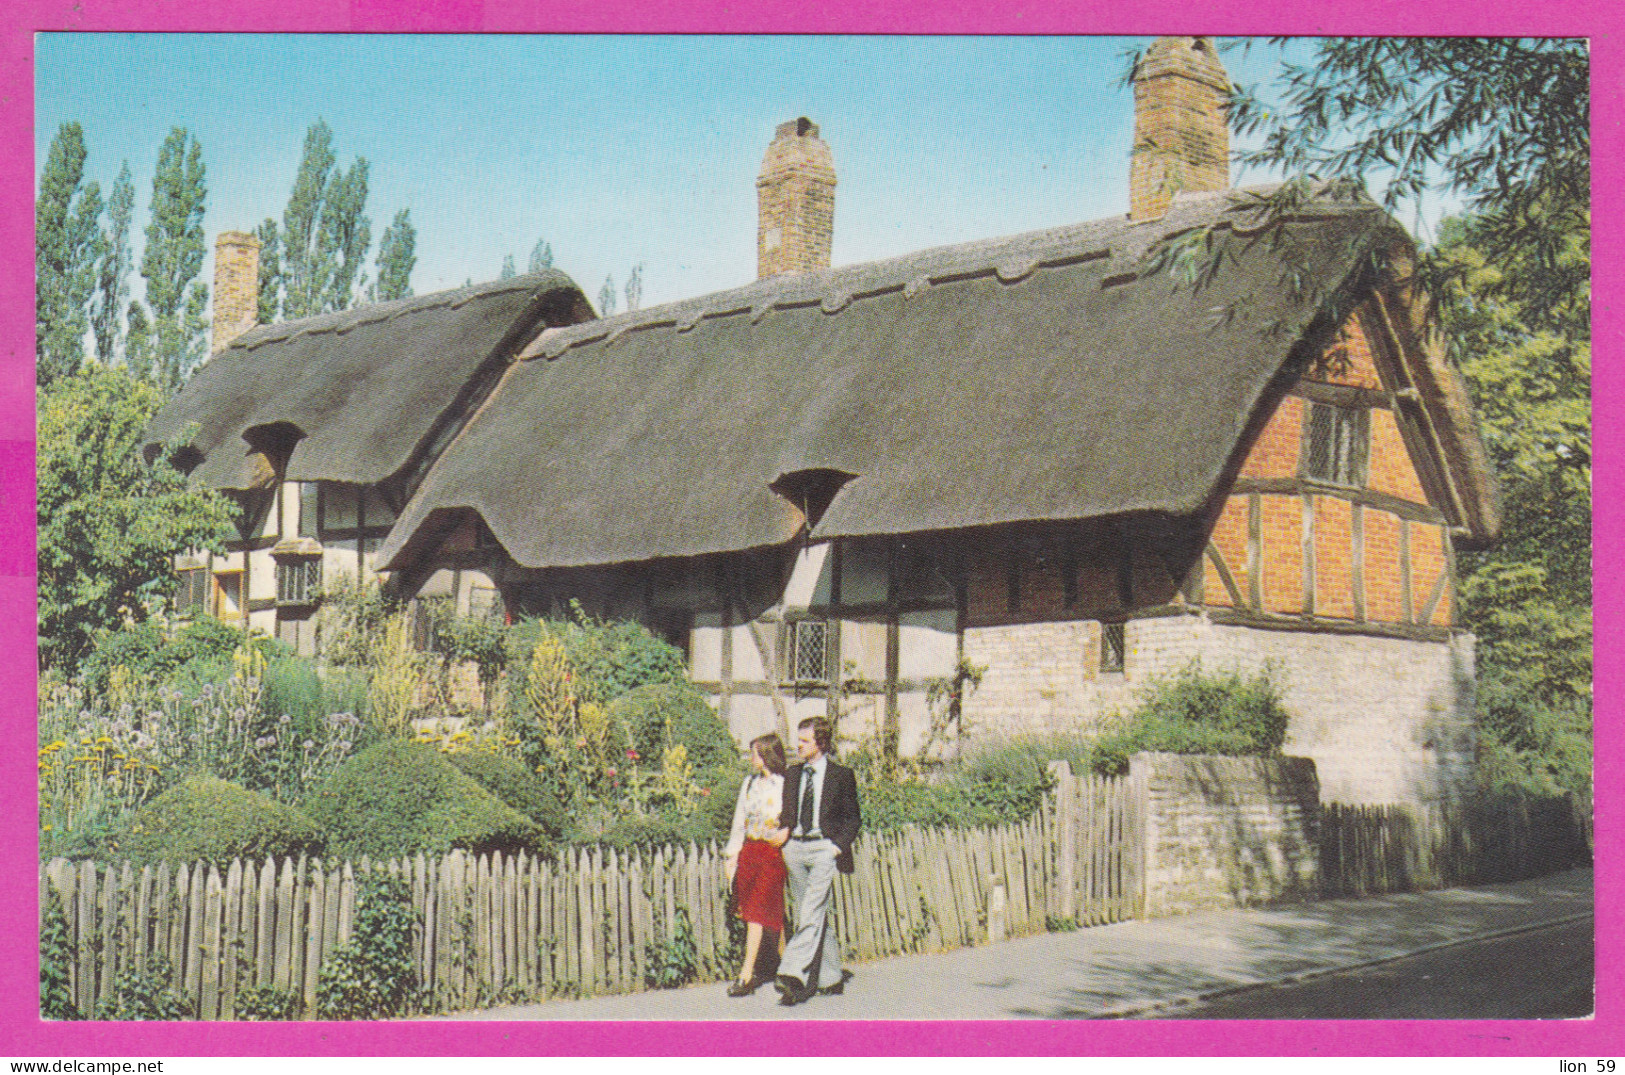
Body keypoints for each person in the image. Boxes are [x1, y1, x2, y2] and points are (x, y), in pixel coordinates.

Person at [774, 715, 861, 1006]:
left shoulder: (841, 776)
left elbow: (853, 818)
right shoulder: (793, 774)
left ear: (821, 743)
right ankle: (831, 977)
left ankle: (791, 972)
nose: (797, 746)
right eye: (798, 740)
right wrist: (783, 833)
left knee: (810, 910)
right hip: (796, 849)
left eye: (804, 741)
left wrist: (835, 848)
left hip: (824, 848)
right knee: (811, 910)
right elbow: (787, 813)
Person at [722, 732, 788, 996]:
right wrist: (732, 855)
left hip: (772, 854)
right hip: (750, 852)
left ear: (766, 756)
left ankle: (746, 975)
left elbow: (792, 819)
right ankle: (790, 967)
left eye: (755, 753)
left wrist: (786, 833)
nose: (752, 759)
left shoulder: (785, 785)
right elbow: (739, 822)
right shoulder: (749, 784)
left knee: (757, 913)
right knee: (770, 917)